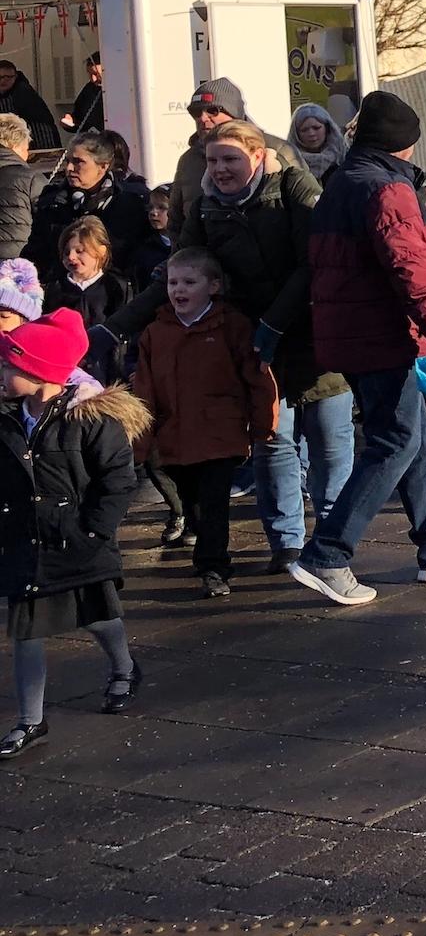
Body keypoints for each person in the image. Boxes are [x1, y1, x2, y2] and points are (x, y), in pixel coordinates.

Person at [113, 121, 350, 572]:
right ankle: (287, 544)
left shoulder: (293, 190)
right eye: (212, 160)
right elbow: (177, 271)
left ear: (257, 156)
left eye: (230, 159)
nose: (220, 169)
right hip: (255, 343)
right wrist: (115, 327)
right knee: (273, 441)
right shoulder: (206, 209)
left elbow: (314, 264)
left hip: (316, 335)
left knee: (329, 444)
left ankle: (334, 539)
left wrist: (275, 322)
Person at [288, 92, 426, 607]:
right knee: (394, 442)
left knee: (413, 437)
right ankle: (328, 554)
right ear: (407, 143)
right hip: (382, 334)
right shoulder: (387, 190)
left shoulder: (344, 181)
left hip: (352, 332)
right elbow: (413, 272)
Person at [0, 308, 147, 755]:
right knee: (26, 630)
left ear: (38, 371)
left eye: (7, 365)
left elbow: (117, 481)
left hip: (76, 540)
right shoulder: (7, 418)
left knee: (96, 614)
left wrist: (93, 532)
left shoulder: (89, 421)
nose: (1, 373)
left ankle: (124, 668)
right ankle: (30, 720)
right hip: (26, 541)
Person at [129, 249, 278, 598]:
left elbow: (257, 378)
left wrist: (263, 425)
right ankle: (199, 539)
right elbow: (144, 390)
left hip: (220, 433)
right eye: (173, 283)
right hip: (174, 435)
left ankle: (214, 566)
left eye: (188, 282)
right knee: (190, 498)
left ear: (213, 286)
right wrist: (140, 440)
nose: (178, 290)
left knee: (214, 502)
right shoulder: (155, 333)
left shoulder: (233, 326)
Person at [170, 79, 292, 236]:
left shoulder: (279, 150)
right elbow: (175, 222)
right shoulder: (188, 161)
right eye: (196, 113)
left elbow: (307, 213)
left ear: (234, 112)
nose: (203, 118)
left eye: (212, 110)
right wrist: (185, 251)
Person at [29, 136, 148, 291]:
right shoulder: (52, 202)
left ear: (103, 166)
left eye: (78, 162)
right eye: (68, 161)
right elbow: (35, 252)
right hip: (62, 293)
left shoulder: (130, 204)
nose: (69, 168)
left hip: (114, 294)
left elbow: (138, 257)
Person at [0, 115, 37, 263]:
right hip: (18, 261)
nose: (27, 155)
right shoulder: (30, 178)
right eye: (26, 149)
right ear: (15, 146)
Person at [0, 63, 57, 152]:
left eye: (8, 77)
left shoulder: (23, 92)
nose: (3, 81)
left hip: (35, 140)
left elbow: (38, 124)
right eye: (0, 77)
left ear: (15, 77)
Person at [287, 104, 345, 184]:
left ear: (327, 128)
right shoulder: (287, 165)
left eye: (316, 128)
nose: (311, 133)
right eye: (304, 130)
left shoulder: (343, 157)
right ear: (296, 134)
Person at [132, 188, 174, 286]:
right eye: (150, 207)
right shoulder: (144, 246)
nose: (153, 213)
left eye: (162, 207)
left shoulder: (188, 243)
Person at [60, 53, 104, 135]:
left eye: (96, 74)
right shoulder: (89, 89)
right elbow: (79, 117)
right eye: (90, 74)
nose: (93, 79)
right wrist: (71, 122)